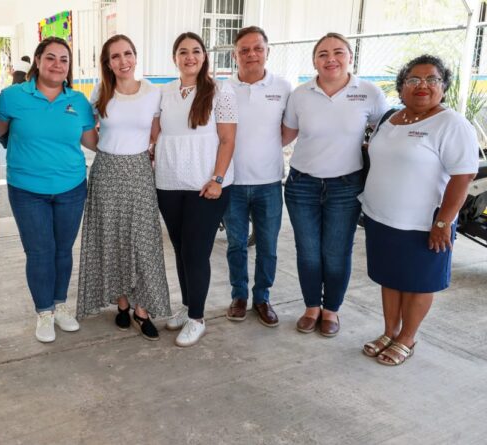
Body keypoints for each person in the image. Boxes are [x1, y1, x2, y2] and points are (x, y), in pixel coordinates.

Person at [359, 55, 478, 365]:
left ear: (443, 87)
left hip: (424, 223)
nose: (422, 85)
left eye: (432, 79)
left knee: (418, 281)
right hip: (382, 218)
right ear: (402, 87)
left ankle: (407, 337)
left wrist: (443, 223)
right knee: (390, 278)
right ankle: (389, 332)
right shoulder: (391, 119)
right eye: (413, 80)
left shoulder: (451, 124)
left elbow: (463, 176)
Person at [282, 32, 389, 337]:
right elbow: (283, 136)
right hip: (302, 185)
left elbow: (387, 134)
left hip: (346, 186)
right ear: (314, 61)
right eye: (323, 54)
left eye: (338, 52)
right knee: (308, 252)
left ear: (350, 57)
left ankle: (331, 310)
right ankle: (311, 307)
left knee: (336, 252)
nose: (331, 59)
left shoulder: (369, 93)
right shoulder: (300, 94)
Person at [0, 37, 98, 343]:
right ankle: (44, 312)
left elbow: (93, 142)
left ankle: (59, 305)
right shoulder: (12, 96)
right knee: (40, 252)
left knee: (63, 250)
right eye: (51, 57)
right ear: (38, 61)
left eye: (64, 59)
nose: (57, 64)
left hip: (71, 187)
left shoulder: (78, 101)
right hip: (27, 190)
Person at [75, 35, 170, 340]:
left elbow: (155, 133)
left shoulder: (152, 93)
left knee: (143, 241)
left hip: (139, 171)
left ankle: (142, 310)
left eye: (127, 53)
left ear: (135, 56)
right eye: (115, 56)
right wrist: (108, 150)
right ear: (108, 63)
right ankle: (122, 304)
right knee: (113, 239)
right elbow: (86, 132)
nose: (123, 61)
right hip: (106, 172)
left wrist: (140, 153)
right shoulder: (100, 91)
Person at [158, 32, 237, 347]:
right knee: (180, 248)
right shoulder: (165, 92)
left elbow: (228, 139)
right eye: (183, 51)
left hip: (206, 185)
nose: (189, 57)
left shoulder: (220, 91)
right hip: (169, 182)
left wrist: (218, 179)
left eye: (195, 51)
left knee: (195, 250)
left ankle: (197, 318)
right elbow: (156, 133)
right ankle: (188, 304)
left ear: (204, 56)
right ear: (174, 58)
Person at [224, 26, 292, 327]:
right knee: (236, 244)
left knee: (268, 246)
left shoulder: (284, 87)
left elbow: (288, 130)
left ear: (267, 51)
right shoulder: (223, 89)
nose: (251, 54)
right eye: (244, 50)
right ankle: (239, 296)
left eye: (257, 48)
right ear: (234, 55)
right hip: (233, 182)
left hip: (268, 183)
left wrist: (265, 148)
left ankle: (262, 298)